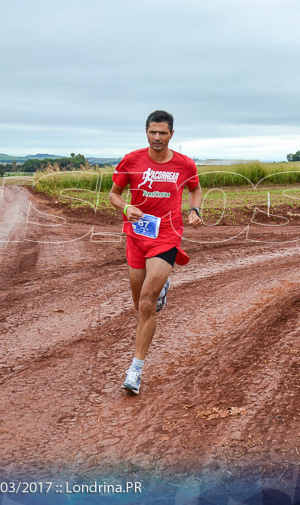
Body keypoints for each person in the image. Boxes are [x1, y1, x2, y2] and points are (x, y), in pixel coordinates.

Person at [109, 110, 202, 395]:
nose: (157, 137)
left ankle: (135, 370)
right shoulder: (131, 160)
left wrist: (194, 210)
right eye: (153, 132)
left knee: (148, 304)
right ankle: (161, 286)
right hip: (136, 237)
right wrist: (125, 208)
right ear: (146, 132)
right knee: (138, 305)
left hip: (166, 236)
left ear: (172, 134)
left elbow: (195, 190)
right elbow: (113, 194)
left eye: (163, 133)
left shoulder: (185, 165)